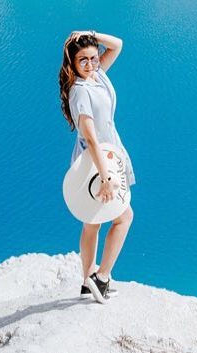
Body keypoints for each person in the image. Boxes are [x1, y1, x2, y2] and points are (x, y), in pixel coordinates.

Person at [58, 30, 136, 303]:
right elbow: (89, 135)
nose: (91, 64)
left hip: (105, 154)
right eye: (83, 60)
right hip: (97, 161)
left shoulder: (97, 75)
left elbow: (118, 44)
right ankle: (101, 278)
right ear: (72, 63)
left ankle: (86, 281)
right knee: (124, 217)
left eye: (93, 58)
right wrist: (106, 177)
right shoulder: (79, 90)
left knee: (92, 221)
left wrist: (90, 34)